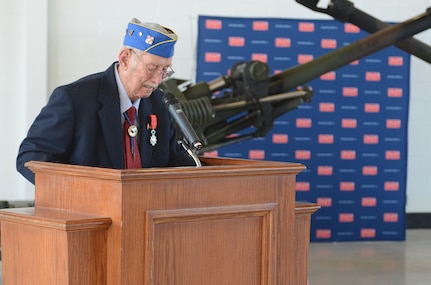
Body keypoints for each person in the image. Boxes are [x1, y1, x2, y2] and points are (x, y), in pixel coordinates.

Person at [17, 18, 196, 184]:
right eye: (151, 68)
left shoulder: (158, 103)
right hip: (87, 213)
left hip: (143, 214)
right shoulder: (75, 99)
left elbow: (174, 161)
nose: (157, 80)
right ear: (125, 58)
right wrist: (81, 191)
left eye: (165, 70)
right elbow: (31, 157)